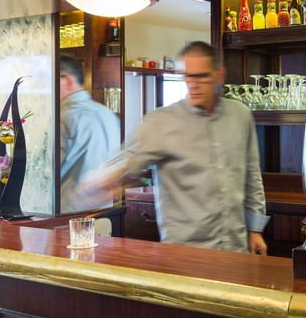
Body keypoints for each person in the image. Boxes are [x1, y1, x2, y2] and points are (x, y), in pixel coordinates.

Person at [83, 41, 269, 254]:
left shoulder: (240, 115)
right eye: (188, 76)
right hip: (185, 253)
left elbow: (252, 176)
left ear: (219, 75)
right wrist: (101, 181)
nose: (194, 84)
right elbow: (126, 161)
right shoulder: (161, 122)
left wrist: (255, 230)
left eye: (202, 76)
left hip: (236, 248)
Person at [59, 55, 120, 213]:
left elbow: (47, 176)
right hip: (103, 214)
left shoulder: (63, 118)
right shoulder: (107, 114)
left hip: (66, 218)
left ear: (68, 81)